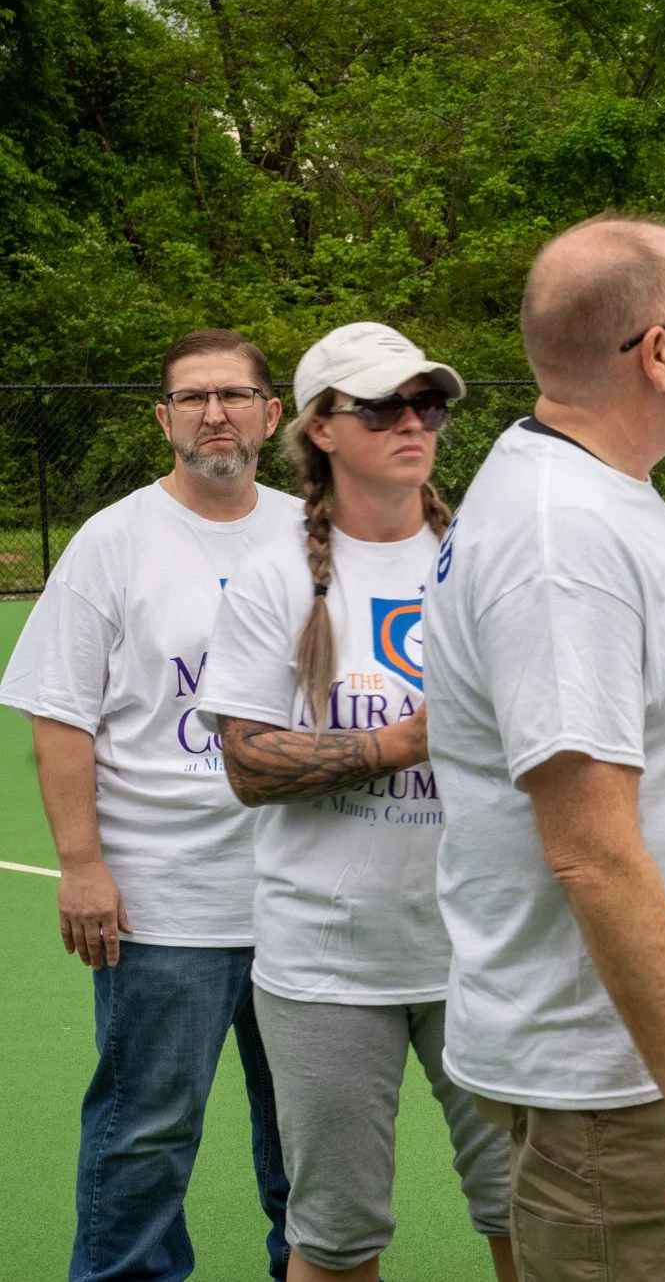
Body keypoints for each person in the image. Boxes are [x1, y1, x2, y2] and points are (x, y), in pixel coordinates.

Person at [422, 214, 665, 1281]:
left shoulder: (599, 495)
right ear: (659, 352)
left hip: (639, 1059)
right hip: (610, 1076)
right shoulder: (561, 539)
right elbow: (591, 849)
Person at [197, 323, 513, 1282]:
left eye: (429, 403)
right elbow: (248, 764)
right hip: (327, 965)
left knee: (532, 1213)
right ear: (321, 430)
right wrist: (402, 743)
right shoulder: (273, 578)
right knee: (335, 1239)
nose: (412, 422)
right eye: (381, 406)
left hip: (490, 953)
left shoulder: (486, 560)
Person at [0, 330, 297, 1282]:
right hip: (166, 902)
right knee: (146, 1131)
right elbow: (60, 712)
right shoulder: (113, 541)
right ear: (164, 419)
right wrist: (82, 864)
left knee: (309, 1134)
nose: (216, 413)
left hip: (303, 898)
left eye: (234, 395)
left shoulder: (315, 533)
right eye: (194, 398)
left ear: (271, 414)